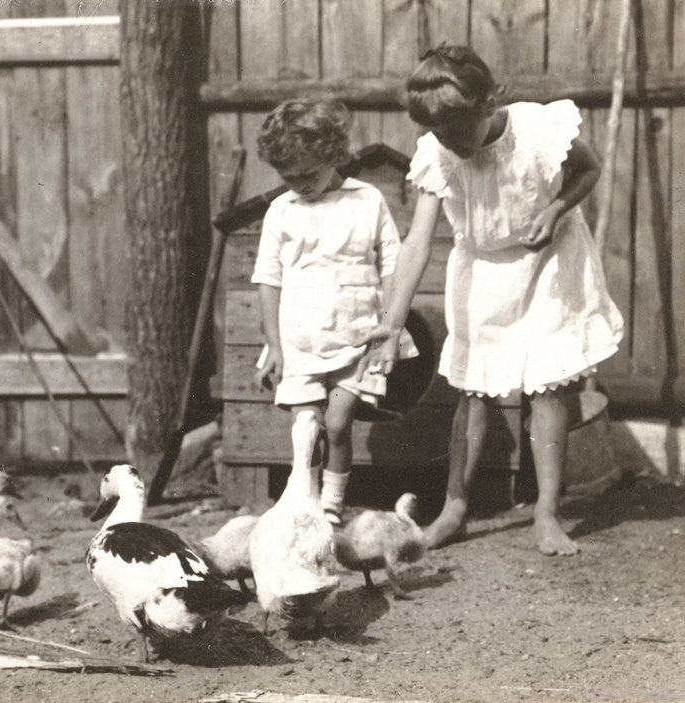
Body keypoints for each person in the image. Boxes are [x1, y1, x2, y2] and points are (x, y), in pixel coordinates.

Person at [359, 45, 624, 555]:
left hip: (551, 263)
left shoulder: (539, 131)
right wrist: (392, 323)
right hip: (482, 268)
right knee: (473, 389)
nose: (451, 145)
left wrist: (557, 209)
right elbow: (416, 242)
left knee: (547, 388)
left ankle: (547, 511)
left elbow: (589, 170)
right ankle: (454, 508)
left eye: (459, 133)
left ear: (488, 103)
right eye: (440, 135)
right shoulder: (437, 152)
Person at [252, 97, 417, 526]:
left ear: (332, 155)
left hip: (356, 337)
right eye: (289, 178)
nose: (299, 185)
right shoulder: (281, 211)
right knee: (306, 428)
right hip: (300, 340)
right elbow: (268, 279)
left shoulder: (366, 200)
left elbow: (392, 265)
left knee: (339, 422)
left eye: (308, 174)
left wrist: (391, 326)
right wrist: (274, 346)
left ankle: (332, 505)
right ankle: (304, 502)